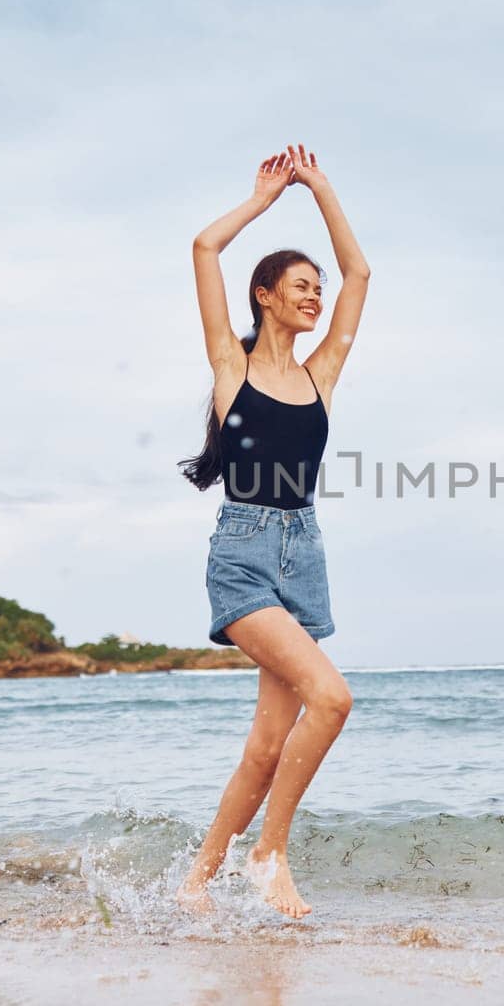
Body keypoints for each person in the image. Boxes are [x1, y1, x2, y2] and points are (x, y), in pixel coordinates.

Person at [173, 144, 370, 919]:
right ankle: (269, 852)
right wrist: (263, 198)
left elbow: (360, 276)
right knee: (332, 697)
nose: (316, 297)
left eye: (315, 289)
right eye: (300, 286)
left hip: (304, 554)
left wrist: (320, 187)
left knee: (264, 747)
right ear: (265, 296)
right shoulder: (232, 365)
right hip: (245, 556)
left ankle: (195, 883)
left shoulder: (321, 375)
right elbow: (203, 247)